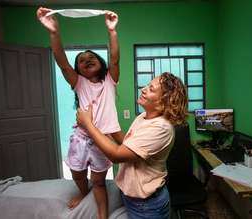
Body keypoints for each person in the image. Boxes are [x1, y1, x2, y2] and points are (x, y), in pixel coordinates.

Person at [37, 7, 122, 219]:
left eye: (91, 56)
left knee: (99, 181)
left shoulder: (110, 80)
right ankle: (84, 193)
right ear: (79, 71)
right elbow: (63, 63)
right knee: (77, 174)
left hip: (103, 140)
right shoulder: (80, 83)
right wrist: (54, 32)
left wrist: (112, 32)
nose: (86, 59)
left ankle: (102, 214)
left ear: (100, 63)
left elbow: (114, 60)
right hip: (82, 138)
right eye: (81, 60)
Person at [76, 72, 188, 219]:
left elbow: (117, 155)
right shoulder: (143, 117)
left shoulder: (161, 128)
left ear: (164, 102)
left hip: (147, 206)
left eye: (151, 89)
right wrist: (106, 123)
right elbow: (129, 145)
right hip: (131, 196)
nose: (144, 89)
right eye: (147, 85)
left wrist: (88, 125)